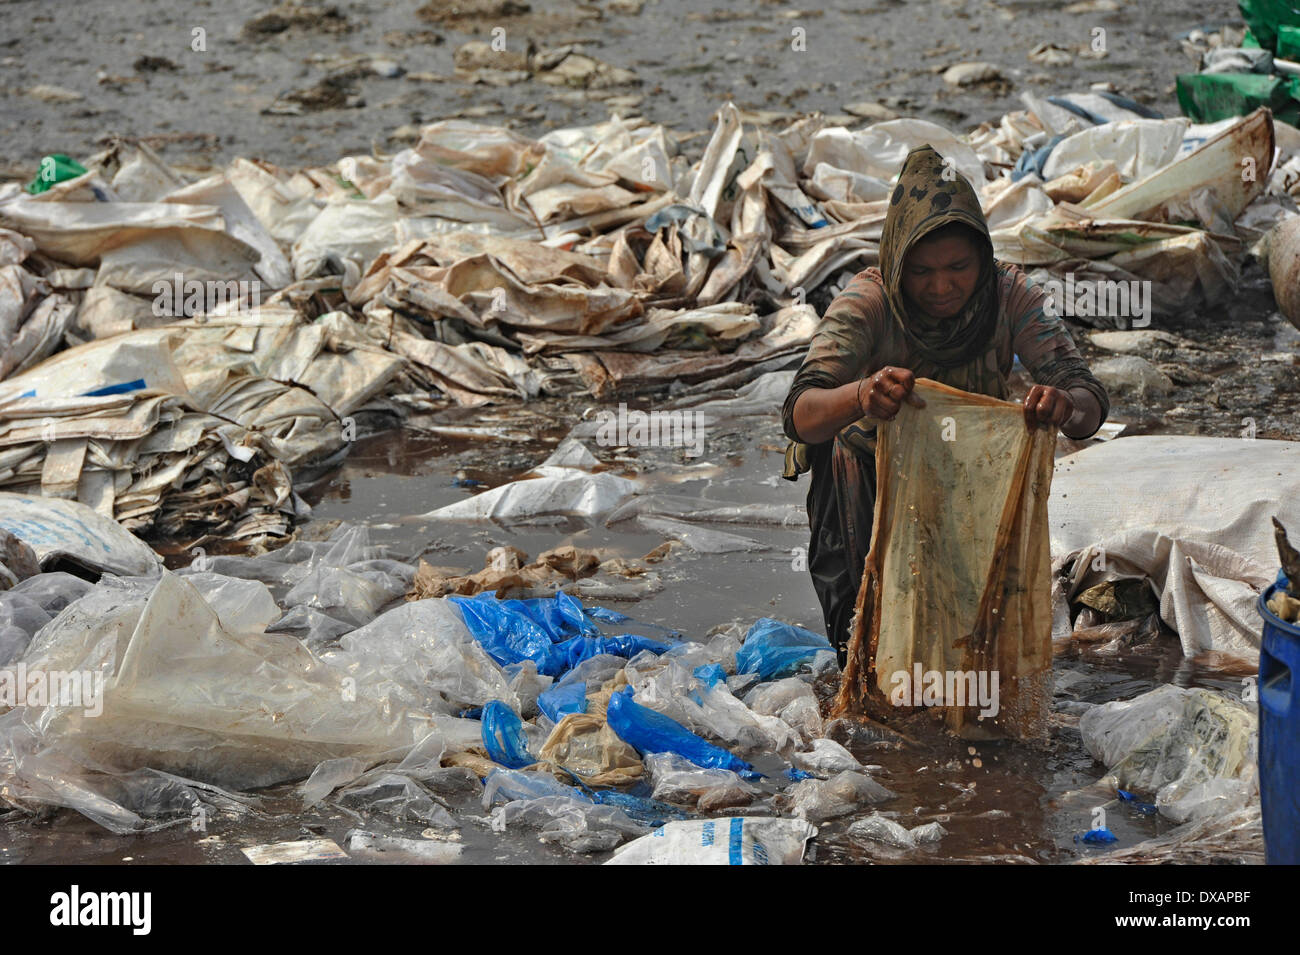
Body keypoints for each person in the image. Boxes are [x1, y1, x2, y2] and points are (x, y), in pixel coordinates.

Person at [781, 144, 1109, 667]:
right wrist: (863, 394)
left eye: (959, 267)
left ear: (983, 257)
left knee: (967, 633)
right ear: (897, 263)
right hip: (868, 479)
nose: (941, 287)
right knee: (867, 634)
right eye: (922, 271)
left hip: (967, 477)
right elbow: (802, 412)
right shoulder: (868, 302)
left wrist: (1062, 405)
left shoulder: (1010, 296)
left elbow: (1088, 398)